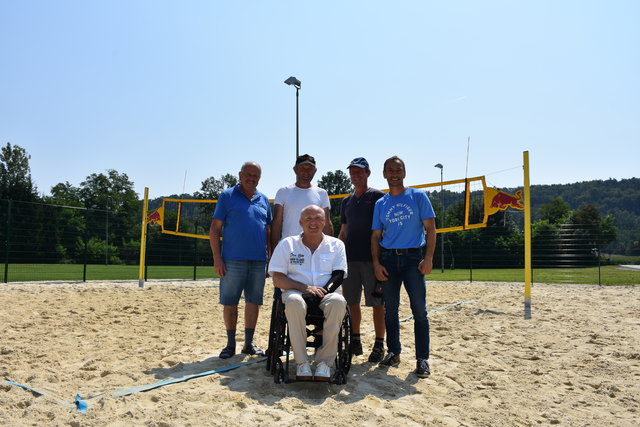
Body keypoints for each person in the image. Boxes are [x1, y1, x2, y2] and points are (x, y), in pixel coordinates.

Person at [371, 155, 436, 378]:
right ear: (384, 174)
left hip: (412, 260)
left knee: (419, 310)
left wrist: (428, 258)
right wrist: (377, 263)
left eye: (398, 170)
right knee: (391, 310)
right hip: (389, 260)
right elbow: (375, 236)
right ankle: (394, 352)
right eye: (390, 170)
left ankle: (422, 359)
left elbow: (431, 229)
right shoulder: (381, 203)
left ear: (404, 173)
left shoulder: (418, 196)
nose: (394, 174)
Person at [268, 204, 348, 381]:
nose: (314, 222)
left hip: (327, 292)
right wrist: (305, 288)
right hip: (295, 292)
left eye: (318, 218)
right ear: (300, 222)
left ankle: (324, 363)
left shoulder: (336, 245)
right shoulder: (287, 244)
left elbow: (339, 274)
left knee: (339, 302)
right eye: (308, 218)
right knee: (294, 301)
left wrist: (321, 291)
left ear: (325, 221)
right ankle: (302, 363)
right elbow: (278, 279)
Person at [209, 161, 272, 359]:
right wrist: (217, 259)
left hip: (258, 261)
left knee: (253, 302)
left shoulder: (263, 200)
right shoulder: (227, 196)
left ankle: (248, 343)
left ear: (259, 179)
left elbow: (268, 231)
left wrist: (270, 258)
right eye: (248, 174)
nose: (251, 178)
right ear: (240, 174)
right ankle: (230, 344)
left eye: (256, 176)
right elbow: (214, 229)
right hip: (232, 260)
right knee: (230, 303)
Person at [338, 157, 386, 363]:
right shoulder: (346, 201)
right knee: (351, 303)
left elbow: (384, 230)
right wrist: (337, 257)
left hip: (372, 259)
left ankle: (379, 343)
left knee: (377, 303)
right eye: (353, 172)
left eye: (360, 171)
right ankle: (355, 339)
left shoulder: (378, 197)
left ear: (368, 173)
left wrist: (381, 261)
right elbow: (343, 231)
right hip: (350, 260)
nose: (355, 175)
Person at [270, 154, 333, 251]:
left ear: (315, 171)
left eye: (310, 169)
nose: (306, 172)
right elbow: (276, 222)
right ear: (295, 169)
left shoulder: (322, 193)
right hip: (289, 249)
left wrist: (329, 250)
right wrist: (273, 251)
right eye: (302, 168)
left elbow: (327, 224)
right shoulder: (283, 192)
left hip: (315, 250)